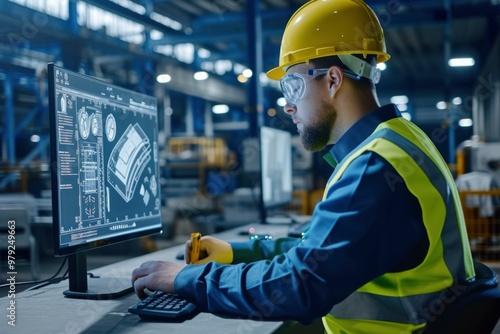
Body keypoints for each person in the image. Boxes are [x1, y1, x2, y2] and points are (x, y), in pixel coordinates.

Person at [131, 0, 475, 332]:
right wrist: (238, 251)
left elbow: (301, 284)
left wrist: (184, 279)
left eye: (293, 87)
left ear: (334, 80)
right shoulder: (402, 139)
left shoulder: (374, 167)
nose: (288, 107)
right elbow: (323, 249)